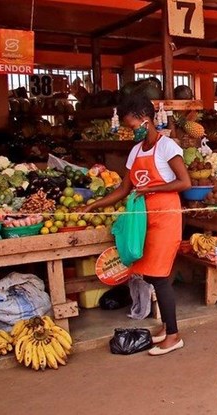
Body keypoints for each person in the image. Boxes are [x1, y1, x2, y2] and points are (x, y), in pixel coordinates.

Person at [81, 94, 191, 356]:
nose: (132, 131)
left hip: (166, 216)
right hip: (144, 219)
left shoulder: (167, 148)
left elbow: (185, 182)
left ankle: (173, 336)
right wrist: (94, 205)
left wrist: (153, 188)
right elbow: (124, 188)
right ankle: (166, 327)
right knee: (152, 274)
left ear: (146, 119)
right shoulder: (135, 151)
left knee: (160, 277)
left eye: (133, 126)